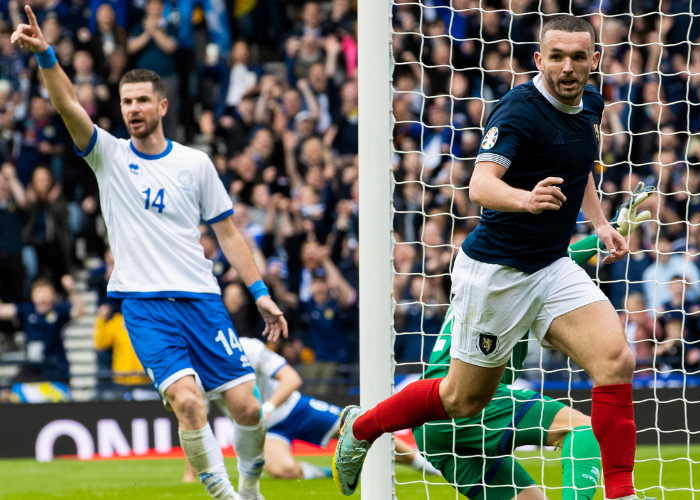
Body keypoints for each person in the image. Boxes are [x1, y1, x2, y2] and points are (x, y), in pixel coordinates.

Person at [333, 15, 640, 500]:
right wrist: (525, 199)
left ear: (594, 60)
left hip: (550, 266)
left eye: (578, 57)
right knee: (461, 397)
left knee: (616, 359)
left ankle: (621, 493)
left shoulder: (591, 105)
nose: (567, 67)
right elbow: (480, 185)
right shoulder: (518, 111)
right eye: (556, 57)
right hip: (497, 273)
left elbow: (578, 169)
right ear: (539, 60)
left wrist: (600, 223)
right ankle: (363, 428)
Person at [11, 7, 288, 500]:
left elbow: (228, 235)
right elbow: (70, 106)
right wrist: (47, 56)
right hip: (145, 305)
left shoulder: (195, 163)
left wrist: (260, 291)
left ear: (161, 106)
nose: (133, 109)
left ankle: (249, 487)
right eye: (126, 102)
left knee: (246, 408)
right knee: (188, 404)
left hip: (202, 300)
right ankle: (226, 497)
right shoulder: (108, 156)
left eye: (141, 100)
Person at [416, 187, 652, 500]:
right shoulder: (510, 281)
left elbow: (557, 262)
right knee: (583, 429)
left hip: (430, 424)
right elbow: (554, 263)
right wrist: (603, 233)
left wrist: (604, 234)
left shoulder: (479, 293)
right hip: (465, 404)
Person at [182, 337, 440, 483]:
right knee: (283, 472)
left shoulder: (247, 348)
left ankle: (426, 467)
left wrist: (269, 407)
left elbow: (292, 379)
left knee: (361, 428)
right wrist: (190, 476)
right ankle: (330, 472)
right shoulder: (198, 375)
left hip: (293, 408)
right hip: (264, 429)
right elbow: (195, 422)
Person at [0, 275, 83, 383]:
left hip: (56, 365)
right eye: (40, 293)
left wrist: (72, 289)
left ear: (53, 295)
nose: (43, 297)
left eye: (47, 293)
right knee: (6, 392)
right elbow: (2, 311)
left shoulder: (59, 310)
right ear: (33, 295)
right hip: (32, 364)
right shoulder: (27, 309)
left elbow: (79, 311)